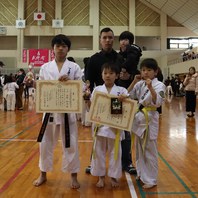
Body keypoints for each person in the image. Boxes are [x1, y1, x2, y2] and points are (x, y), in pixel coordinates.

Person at [33, 34, 82, 189]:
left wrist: (71, 82)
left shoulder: (74, 68)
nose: (60, 48)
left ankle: (73, 176)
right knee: (45, 144)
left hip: (68, 111)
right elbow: (41, 89)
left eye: (64, 46)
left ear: (68, 49)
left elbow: (81, 87)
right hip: (50, 111)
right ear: (53, 48)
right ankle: (43, 174)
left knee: (71, 143)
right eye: (57, 46)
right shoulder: (45, 67)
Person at [85, 27, 123, 173]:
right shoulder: (94, 59)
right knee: (98, 136)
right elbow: (88, 80)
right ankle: (93, 164)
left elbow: (125, 79)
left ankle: (126, 162)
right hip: (100, 99)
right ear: (100, 40)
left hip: (117, 98)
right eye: (104, 37)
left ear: (114, 39)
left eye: (110, 37)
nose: (107, 40)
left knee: (118, 135)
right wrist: (88, 94)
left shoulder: (120, 58)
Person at [85, 62, 129, 188]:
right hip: (99, 127)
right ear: (101, 75)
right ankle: (101, 177)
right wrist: (86, 99)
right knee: (98, 152)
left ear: (117, 76)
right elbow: (91, 109)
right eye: (105, 73)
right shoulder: (97, 90)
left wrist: (123, 100)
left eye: (111, 73)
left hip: (114, 128)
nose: (108, 76)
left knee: (116, 153)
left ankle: (114, 177)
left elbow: (127, 110)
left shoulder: (122, 91)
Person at [128, 58, 166, 189]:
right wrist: (134, 81)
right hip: (139, 119)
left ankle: (151, 179)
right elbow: (129, 95)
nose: (146, 73)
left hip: (150, 118)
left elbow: (158, 102)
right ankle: (141, 173)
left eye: (149, 70)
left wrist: (151, 88)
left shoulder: (159, 85)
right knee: (139, 149)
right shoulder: (140, 84)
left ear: (155, 72)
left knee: (149, 150)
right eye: (143, 70)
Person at [117, 31, 142, 175]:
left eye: (127, 40)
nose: (124, 42)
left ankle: (127, 162)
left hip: (129, 98)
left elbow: (137, 74)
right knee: (109, 129)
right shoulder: (116, 57)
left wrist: (129, 75)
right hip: (116, 96)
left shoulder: (134, 54)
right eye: (122, 40)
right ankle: (103, 162)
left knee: (126, 131)